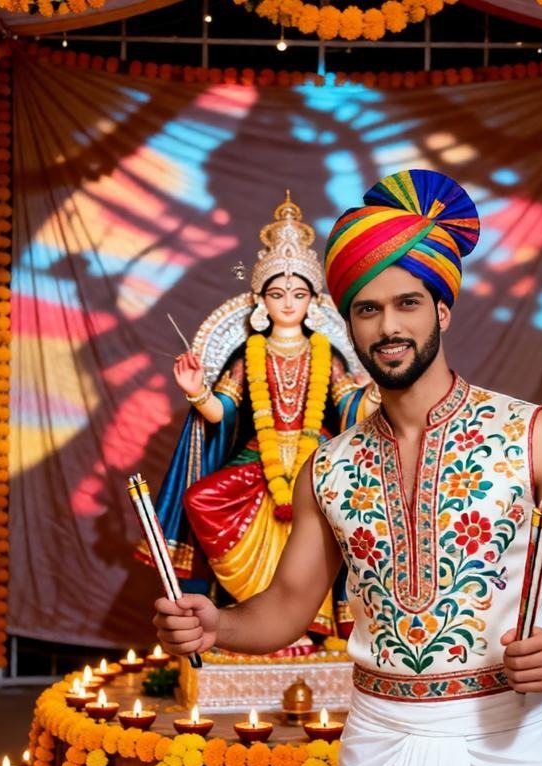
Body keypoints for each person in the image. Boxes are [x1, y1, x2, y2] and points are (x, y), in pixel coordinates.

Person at [154, 169, 542, 766]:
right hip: (379, 741)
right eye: (368, 309)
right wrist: (217, 622)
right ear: (347, 324)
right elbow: (285, 607)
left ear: (442, 305)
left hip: (505, 744)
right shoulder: (332, 466)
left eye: (407, 302)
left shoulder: (534, 435)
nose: (389, 326)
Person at [141, 192, 376, 645]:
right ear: (260, 300)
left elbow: (351, 408)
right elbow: (222, 411)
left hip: (314, 462)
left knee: (338, 515)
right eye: (277, 293)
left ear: (313, 300)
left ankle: (308, 625)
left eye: (298, 293)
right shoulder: (250, 355)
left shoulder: (326, 353)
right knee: (203, 501)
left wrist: (380, 391)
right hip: (258, 460)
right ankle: (252, 624)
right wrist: (196, 391)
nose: (288, 303)